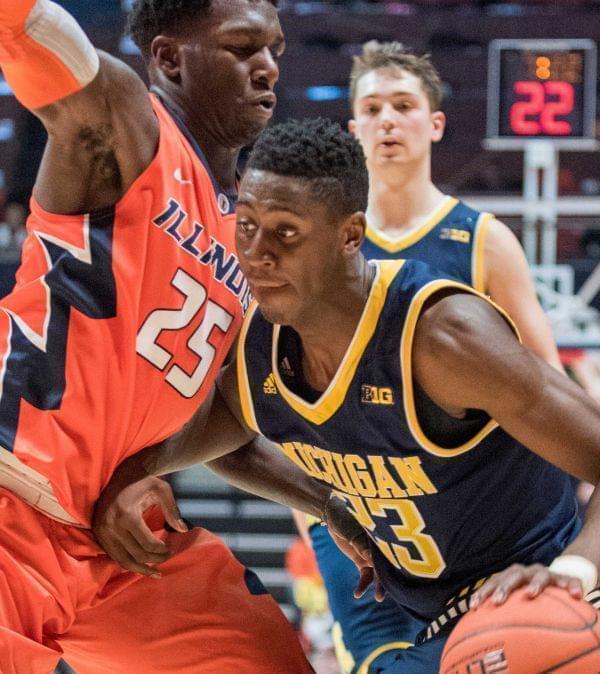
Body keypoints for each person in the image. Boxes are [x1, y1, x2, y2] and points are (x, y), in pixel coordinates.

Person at [94, 117, 600, 674]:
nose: (257, 253)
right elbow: (224, 443)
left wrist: (572, 574)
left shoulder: (441, 337)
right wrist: (138, 470)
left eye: (286, 232)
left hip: (532, 597)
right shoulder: (256, 350)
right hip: (423, 608)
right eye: (248, 226)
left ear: (350, 236)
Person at [0, 1, 314, 672]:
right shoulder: (130, 129)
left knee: (264, 659)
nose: (267, 69)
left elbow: (232, 414)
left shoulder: (249, 232)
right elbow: (30, 30)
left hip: (120, 540)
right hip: (14, 500)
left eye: (275, 52)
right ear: (171, 58)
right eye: (242, 48)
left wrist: (340, 512)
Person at [291, 40, 565, 673]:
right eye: (374, 107)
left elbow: (546, 378)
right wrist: (309, 501)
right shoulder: (322, 250)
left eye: (405, 105)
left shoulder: (482, 240)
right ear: (353, 126)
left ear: (434, 123)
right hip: (360, 509)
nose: (389, 119)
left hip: (473, 513)